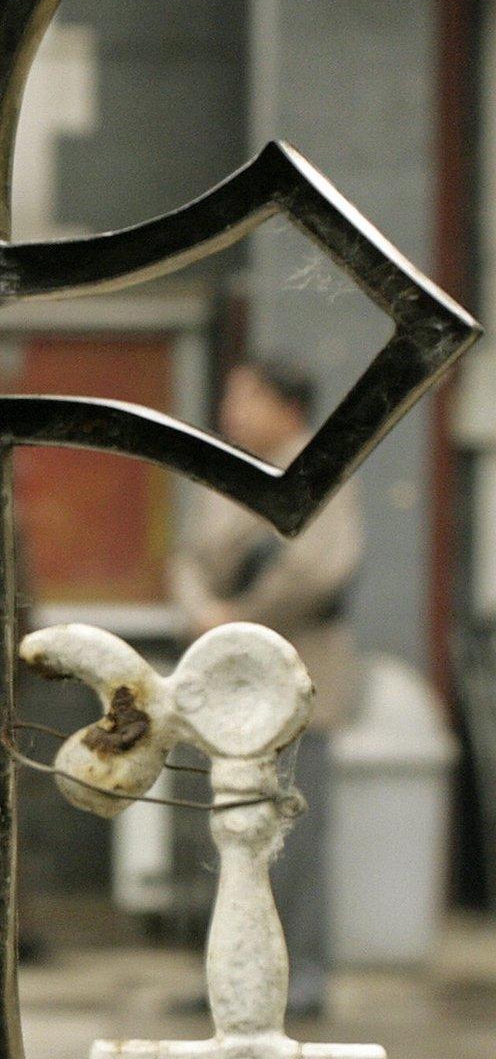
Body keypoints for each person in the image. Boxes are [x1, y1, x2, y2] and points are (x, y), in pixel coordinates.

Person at [170, 357, 360, 1021]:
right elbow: (189, 559)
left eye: (248, 397)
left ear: (288, 406)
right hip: (221, 682)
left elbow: (316, 571)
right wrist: (204, 612)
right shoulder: (224, 472)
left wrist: (240, 614)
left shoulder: (320, 467)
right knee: (220, 830)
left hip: (297, 674)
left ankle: (302, 974)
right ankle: (223, 976)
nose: (234, 410)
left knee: (290, 836)